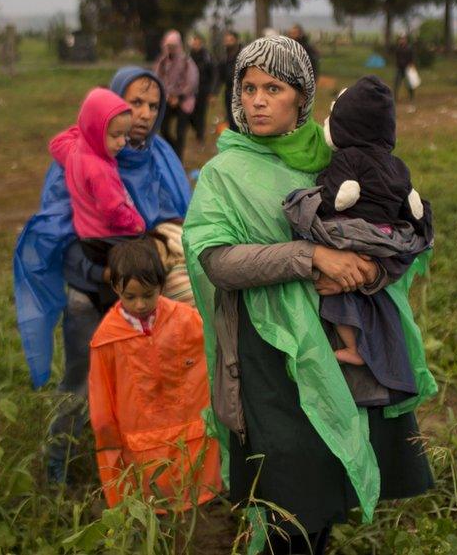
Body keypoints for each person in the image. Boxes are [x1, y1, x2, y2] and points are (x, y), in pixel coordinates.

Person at [183, 36, 435, 554]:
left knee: (323, 495)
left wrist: (365, 272)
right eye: (248, 87)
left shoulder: (334, 161)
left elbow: (384, 234)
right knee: (286, 504)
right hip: (266, 358)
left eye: (272, 88)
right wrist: (311, 257)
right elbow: (215, 261)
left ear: (302, 97)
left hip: (335, 351)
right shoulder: (223, 173)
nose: (256, 100)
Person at [13, 66, 191, 486]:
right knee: (80, 381)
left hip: (142, 299)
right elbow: (60, 235)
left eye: (153, 105)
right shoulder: (81, 157)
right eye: (134, 103)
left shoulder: (157, 157)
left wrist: (161, 243)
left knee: (141, 386)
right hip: (89, 294)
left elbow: (173, 213)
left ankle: (136, 472)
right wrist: (105, 271)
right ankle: (55, 466)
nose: (144, 114)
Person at [306, 76, 432, 370]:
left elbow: (338, 196)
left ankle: (352, 346)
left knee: (337, 294)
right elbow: (411, 204)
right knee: (361, 295)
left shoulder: (347, 158)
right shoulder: (397, 164)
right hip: (387, 238)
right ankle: (367, 346)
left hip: (348, 233)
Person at [89, 238, 221, 511]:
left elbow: (214, 361)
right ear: (115, 288)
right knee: (153, 512)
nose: (140, 305)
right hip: (141, 449)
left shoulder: (188, 320)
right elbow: (102, 407)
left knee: (200, 508)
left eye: (148, 295)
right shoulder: (106, 340)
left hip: (194, 442)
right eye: (130, 296)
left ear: (162, 285)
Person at [53, 87, 145, 240]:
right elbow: (113, 210)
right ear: (96, 129)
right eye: (116, 135)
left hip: (86, 234)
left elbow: (57, 143)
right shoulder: (100, 170)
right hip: (108, 238)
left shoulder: (74, 151)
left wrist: (86, 126)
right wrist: (137, 224)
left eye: (125, 134)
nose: (122, 142)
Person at [153, 30, 198, 162]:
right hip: (167, 100)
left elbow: (192, 82)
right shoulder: (162, 62)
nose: (171, 49)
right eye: (168, 46)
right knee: (164, 128)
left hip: (184, 101)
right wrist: (167, 96)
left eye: (173, 46)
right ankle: (173, 149)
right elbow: (158, 79)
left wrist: (179, 97)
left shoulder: (187, 62)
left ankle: (178, 159)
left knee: (180, 132)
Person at [188, 33, 215, 147]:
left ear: (201, 43)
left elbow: (213, 74)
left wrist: (211, 92)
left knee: (201, 113)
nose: (196, 44)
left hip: (203, 89)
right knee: (190, 113)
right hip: (191, 90)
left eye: (198, 42)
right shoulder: (189, 56)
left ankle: (200, 136)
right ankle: (196, 129)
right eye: (194, 42)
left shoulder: (207, 57)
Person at [215, 30, 241, 132]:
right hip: (229, 93)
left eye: (231, 40)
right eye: (226, 40)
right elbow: (220, 77)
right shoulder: (224, 58)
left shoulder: (243, 56)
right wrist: (214, 92)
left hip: (241, 92)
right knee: (231, 119)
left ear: (236, 40)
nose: (228, 43)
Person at [393, 35, 416, 102]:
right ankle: (395, 98)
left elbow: (412, 58)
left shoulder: (409, 48)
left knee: (409, 84)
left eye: (403, 39)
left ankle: (412, 98)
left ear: (406, 40)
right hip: (399, 69)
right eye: (400, 39)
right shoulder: (398, 48)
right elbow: (396, 58)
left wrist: (412, 66)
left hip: (407, 69)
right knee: (396, 83)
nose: (402, 40)